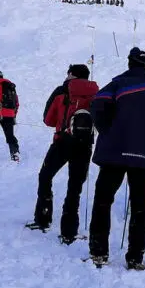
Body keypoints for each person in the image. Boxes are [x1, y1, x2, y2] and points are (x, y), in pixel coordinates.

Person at [87, 48, 145, 270]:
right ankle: (135, 257)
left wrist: (106, 129)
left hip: (113, 153)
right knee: (140, 206)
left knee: (103, 201)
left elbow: (96, 104)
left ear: (129, 64)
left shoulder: (116, 85)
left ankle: (98, 253)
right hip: (143, 156)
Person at [26, 64, 99, 244]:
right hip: (85, 146)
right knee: (75, 188)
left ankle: (43, 218)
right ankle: (69, 232)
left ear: (71, 75)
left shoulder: (62, 91)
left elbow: (48, 120)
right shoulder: (96, 93)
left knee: (45, 176)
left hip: (62, 142)